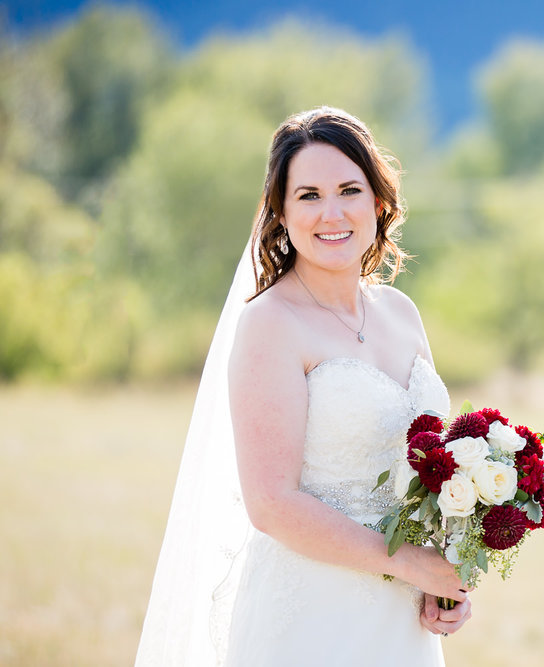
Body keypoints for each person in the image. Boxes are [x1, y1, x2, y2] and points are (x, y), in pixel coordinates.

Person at [136, 107, 472, 666]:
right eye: (309, 195)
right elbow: (271, 503)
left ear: (379, 202)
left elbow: (432, 473)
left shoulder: (401, 312)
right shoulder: (271, 324)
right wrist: (407, 562)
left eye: (348, 189)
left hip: (404, 619)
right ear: (281, 213)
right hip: (312, 612)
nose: (331, 212)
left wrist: (448, 579)